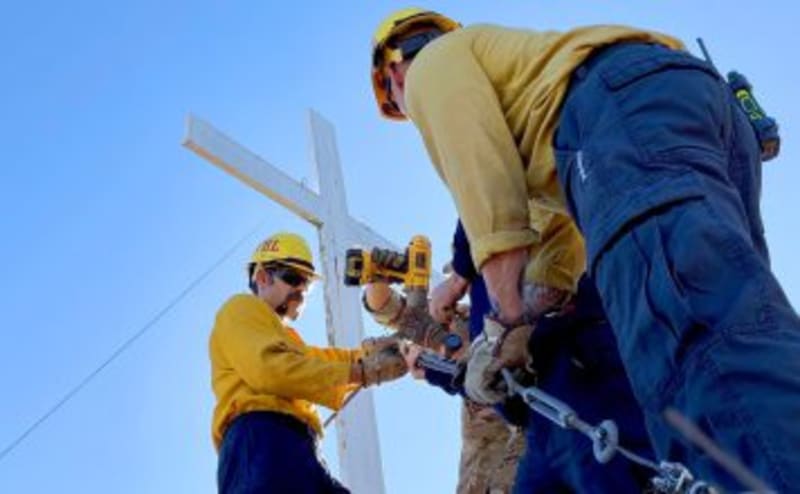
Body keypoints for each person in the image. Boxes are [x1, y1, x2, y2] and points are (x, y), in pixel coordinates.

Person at [368, 8, 800, 491]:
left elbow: (484, 184)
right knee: (736, 317)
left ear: (392, 72)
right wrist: (531, 310)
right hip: (689, 109)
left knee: (694, 340)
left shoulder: (430, 66)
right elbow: (557, 227)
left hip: (623, 114)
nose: (411, 113)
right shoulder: (532, 95)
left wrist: (504, 320)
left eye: (399, 107)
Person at [406, 221, 655, 493]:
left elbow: (489, 197)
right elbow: (490, 377)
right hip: (540, 424)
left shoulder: (508, 235)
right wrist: (436, 371)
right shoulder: (483, 297)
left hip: (575, 372)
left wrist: (458, 278)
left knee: (612, 471)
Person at [209, 232, 408, 493]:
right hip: (260, 442)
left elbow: (324, 363)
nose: (301, 290)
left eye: (306, 284)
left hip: (298, 448)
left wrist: (379, 351)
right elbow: (272, 369)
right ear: (261, 277)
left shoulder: (287, 342)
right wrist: (362, 371)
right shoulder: (241, 309)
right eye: (293, 279)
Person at [362, 223, 524, 494]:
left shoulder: (529, 317)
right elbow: (390, 310)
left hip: (531, 462)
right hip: (479, 479)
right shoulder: (454, 320)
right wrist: (376, 275)